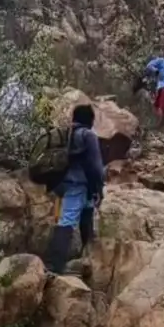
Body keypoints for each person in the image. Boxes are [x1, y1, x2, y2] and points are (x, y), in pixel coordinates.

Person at [44, 104, 105, 276]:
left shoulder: (67, 134)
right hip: (78, 183)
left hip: (64, 182)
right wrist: (99, 188)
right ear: (90, 120)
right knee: (67, 220)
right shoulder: (88, 135)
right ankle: (54, 266)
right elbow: (96, 166)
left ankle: (87, 255)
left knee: (87, 210)